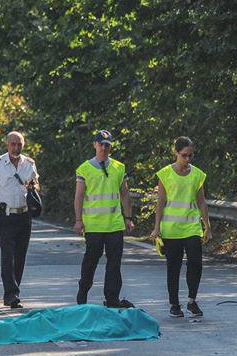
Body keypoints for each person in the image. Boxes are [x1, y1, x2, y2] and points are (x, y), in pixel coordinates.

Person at [150, 137, 212, 318]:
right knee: (173, 267)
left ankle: (192, 300)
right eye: (184, 155)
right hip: (171, 228)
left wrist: (207, 225)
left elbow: (201, 201)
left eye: (190, 155)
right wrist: (156, 227)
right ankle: (174, 304)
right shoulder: (165, 174)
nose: (187, 159)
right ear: (176, 153)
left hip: (191, 227)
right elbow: (161, 202)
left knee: (195, 263)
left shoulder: (197, 174)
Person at [74, 130, 136, 308]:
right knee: (90, 261)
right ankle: (83, 292)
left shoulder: (118, 167)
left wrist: (128, 217)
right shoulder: (84, 168)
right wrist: (79, 220)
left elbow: (124, 194)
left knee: (114, 264)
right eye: (101, 144)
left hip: (114, 225)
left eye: (107, 145)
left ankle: (112, 299)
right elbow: (79, 196)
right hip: (93, 225)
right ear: (95, 144)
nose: (104, 147)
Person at [0, 131, 39, 309]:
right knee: (8, 256)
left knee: (20, 256)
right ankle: (11, 295)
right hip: (4, 216)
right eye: (13, 144)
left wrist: (33, 187)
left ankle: (13, 292)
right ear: (7, 145)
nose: (16, 147)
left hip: (24, 215)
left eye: (19, 144)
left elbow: (36, 184)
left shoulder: (29, 164)